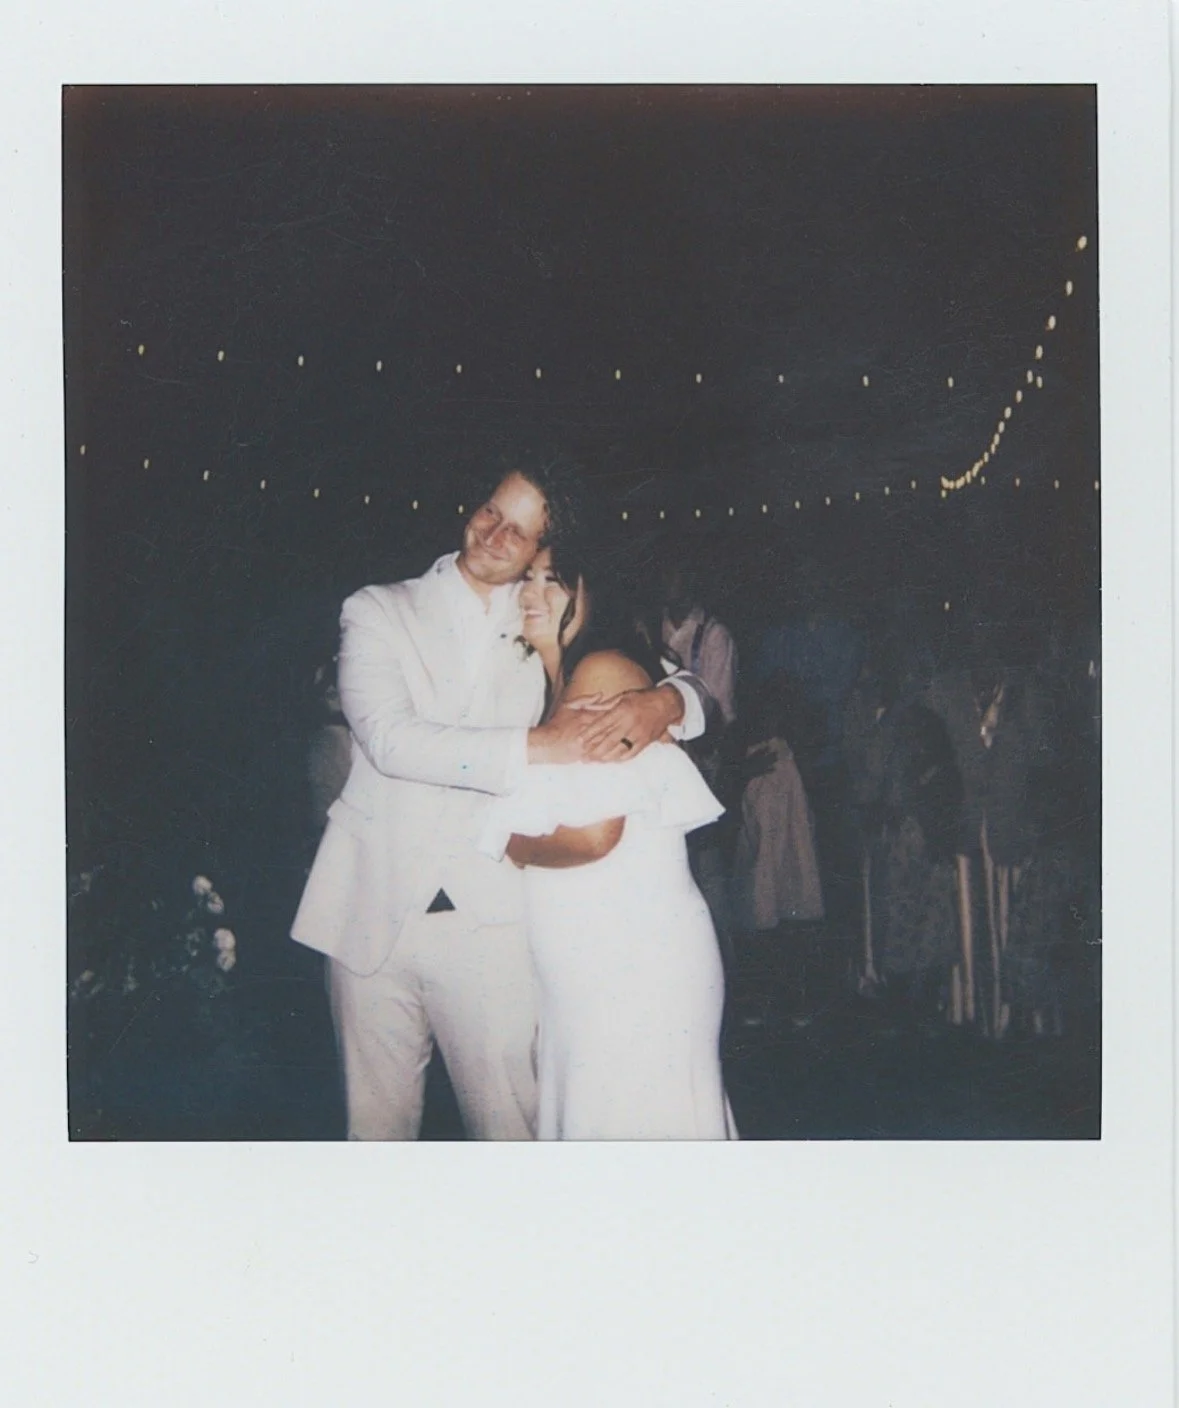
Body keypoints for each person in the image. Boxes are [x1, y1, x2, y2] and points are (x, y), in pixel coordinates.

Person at [290, 458, 708, 1140]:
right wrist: (542, 742)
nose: (494, 535)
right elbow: (391, 743)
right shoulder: (377, 609)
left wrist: (667, 701)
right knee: (373, 1139)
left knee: (510, 1136)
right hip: (371, 914)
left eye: (520, 531)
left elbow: (676, 683)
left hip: (493, 923)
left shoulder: (543, 617)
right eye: (492, 512)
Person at [477, 539, 736, 1140]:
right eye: (526, 578)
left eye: (553, 579)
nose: (533, 593)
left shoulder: (601, 673)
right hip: (591, 968)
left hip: (629, 965)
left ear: (591, 593)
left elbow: (596, 834)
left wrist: (512, 844)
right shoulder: (549, 687)